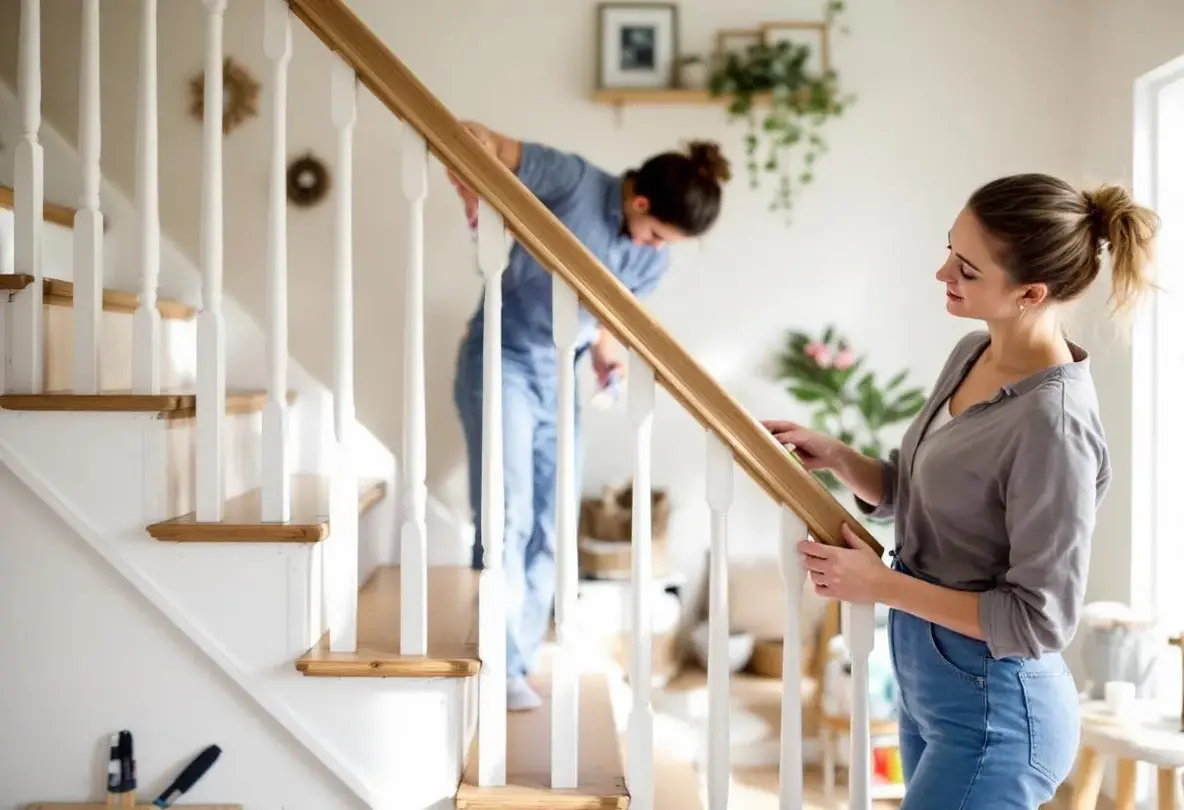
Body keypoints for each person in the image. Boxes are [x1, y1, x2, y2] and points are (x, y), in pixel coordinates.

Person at [763, 173, 1158, 808]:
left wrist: (878, 584)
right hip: (932, 689)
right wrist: (840, 458)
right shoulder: (973, 352)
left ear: (1030, 292)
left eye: (967, 268)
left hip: (997, 714)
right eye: (951, 247)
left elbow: (1038, 620)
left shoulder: (1052, 425)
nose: (943, 271)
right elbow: (925, 493)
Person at [449, 123, 731, 711]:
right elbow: (476, 139)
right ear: (639, 200)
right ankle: (494, 659)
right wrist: (476, 187)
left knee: (553, 526)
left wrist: (606, 351)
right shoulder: (573, 180)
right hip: (501, 360)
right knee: (510, 514)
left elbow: (602, 318)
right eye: (656, 234)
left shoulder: (650, 262)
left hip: (560, 378)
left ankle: (515, 663)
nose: (655, 250)